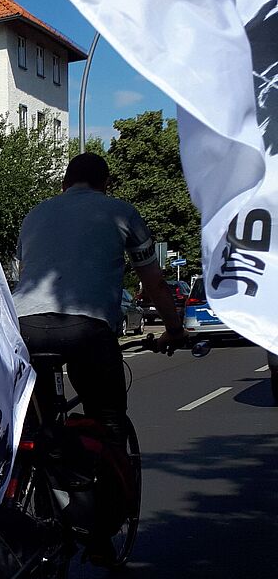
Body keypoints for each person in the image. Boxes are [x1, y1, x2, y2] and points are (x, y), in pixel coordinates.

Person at [14, 152, 187, 442]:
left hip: (24, 327)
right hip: (88, 328)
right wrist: (174, 329)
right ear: (106, 183)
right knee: (107, 418)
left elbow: (24, 273)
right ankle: (108, 461)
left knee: (34, 422)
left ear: (63, 184)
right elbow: (154, 282)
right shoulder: (121, 212)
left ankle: (31, 460)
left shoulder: (34, 214)